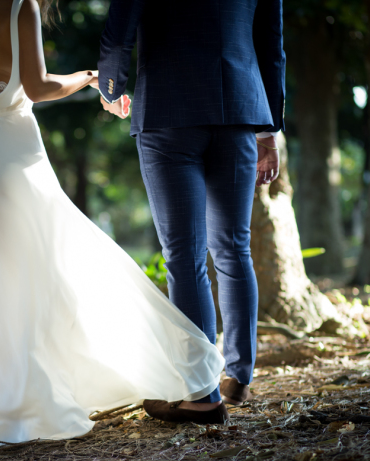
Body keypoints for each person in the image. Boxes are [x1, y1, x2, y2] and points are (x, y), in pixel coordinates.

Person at [0, 0, 227, 454]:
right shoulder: (19, 7)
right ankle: (55, 397)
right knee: (53, 268)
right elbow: (38, 87)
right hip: (11, 154)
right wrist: (84, 77)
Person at [97, 0, 285, 422]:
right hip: (239, 108)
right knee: (234, 249)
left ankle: (201, 392)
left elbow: (119, 28)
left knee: (185, 255)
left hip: (168, 108)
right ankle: (239, 376)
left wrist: (111, 88)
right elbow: (271, 45)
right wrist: (269, 128)